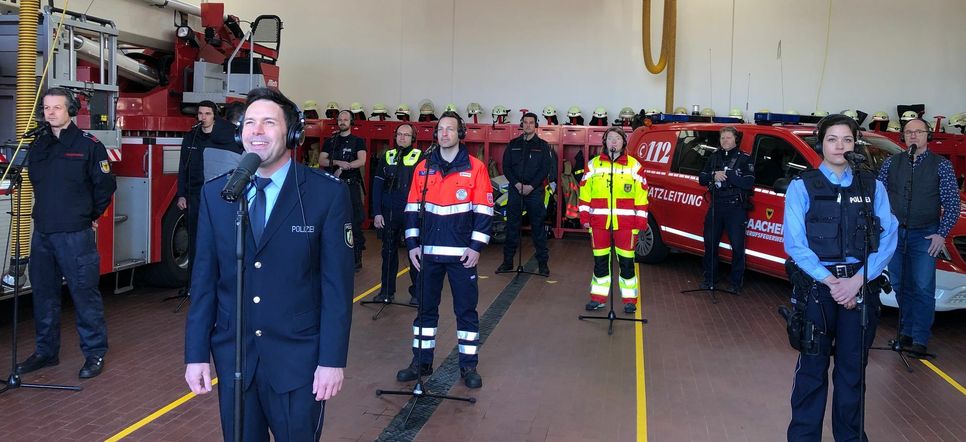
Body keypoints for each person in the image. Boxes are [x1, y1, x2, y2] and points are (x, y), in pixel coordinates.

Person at [184, 88, 353, 441]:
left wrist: (332, 360)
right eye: (249, 123)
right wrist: (196, 354)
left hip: (298, 362)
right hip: (235, 363)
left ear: (292, 134)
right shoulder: (218, 195)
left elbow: (336, 287)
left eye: (268, 122)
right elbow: (203, 282)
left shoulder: (326, 194)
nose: (256, 131)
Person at [784, 114, 897, 441]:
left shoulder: (872, 186)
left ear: (855, 144)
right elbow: (795, 242)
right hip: (819, 292)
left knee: (851, 375)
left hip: (860, 290)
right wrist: (831, 281)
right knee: (812, 372)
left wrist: (857, 280)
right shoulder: (801, 186)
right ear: (821, 143)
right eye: (832, 139)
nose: (840, 146)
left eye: (847, 139)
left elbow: (888, 236)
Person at [17, 87, 116, 379]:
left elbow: (105, 186)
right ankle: (46, 352)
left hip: (75, 234)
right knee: (44, 295)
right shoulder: (38, 144)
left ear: (71, 110)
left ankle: (95, 353)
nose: (50, 113)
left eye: (56, 108)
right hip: (44, 233)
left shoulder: (89, 144)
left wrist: (89, 216)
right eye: (46, 108)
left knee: (84, 294)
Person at [397, 111, 493, 389]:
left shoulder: (476, 168)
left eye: (450, 129)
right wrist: (413, 245)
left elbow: (485, 210)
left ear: (461, 134)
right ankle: (421, 362)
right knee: (425, 311)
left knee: (466, 311)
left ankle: (468, 365)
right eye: (440, 129)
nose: (444, 134)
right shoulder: (423, 168)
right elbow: (412, 209)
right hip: (427, 254)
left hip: (462, 256)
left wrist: (476, 247)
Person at [876, 117, 958, 357]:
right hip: (895, 233)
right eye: (908, 132)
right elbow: (879, 198)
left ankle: (920, 338)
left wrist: (941, 234)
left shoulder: (941, 166)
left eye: (918, 132)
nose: (913, 136)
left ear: (927, 136)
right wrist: (884, 229)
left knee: (923, 286)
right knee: (900, 284)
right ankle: (906, 331)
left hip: (925, 235)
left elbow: (952, 204)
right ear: (903, 136)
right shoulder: (891, 163)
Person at [578, 127, 649, 314]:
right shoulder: (593, 165)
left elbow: (642, 196)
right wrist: (584, 217)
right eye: (610, 139)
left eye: (617, 139)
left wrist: (641, 222)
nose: (614, 142)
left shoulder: (634, 166)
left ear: (623, 142)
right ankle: (598, 299)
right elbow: (584, 193)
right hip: (599, 223)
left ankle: (629, 301)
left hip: (626, 225)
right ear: (605, 142)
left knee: (626, 263)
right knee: (600, 262)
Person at [177, 100, 237, 291]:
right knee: (195, 239)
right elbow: (182, 168)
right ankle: (192, 285)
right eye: (200, 113)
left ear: (215, 115)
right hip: (194, 194)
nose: (203, 117)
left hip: (217, 196)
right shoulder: (191, 137)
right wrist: (181, 195)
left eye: (208, 114)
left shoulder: (228, 137)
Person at [697, 126, 755, 292]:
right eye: (723, 138)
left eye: (728, 138)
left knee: (737, 247)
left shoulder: (745, 159)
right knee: (710, 244)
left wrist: (729, 175)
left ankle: (735, 283)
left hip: (735, 208)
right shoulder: (714, 157)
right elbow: (701, 178)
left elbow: (748, 182)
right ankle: (710, 280)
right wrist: (713, 175)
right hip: (716, 206)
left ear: (735, 139)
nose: (725, 141)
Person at [372, 123, 422, 305]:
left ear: (413, 139)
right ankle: (386, 291)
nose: (402, 138)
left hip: (411, 214)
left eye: (406, 135)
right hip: (389, 212)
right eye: (399, 134)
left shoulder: (420, 157)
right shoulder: (387, 156)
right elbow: (377, 186)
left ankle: (418, 293)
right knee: (388, 253)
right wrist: (377, 212)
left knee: (414, 253)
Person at [497, 112, 552, 275]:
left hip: (534, 192)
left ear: (536, 125)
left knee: (538, 229)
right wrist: (517, 184)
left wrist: (531, 186)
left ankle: (543, 265)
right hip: (515, 191)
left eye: (531, 122)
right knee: (512, 228)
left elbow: (545, 168)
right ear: (522, 124)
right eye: (525, 122)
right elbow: (506, 166)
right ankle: (507, 263)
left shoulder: (543, 145)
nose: (528, 125)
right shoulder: (513, 144)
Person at [320, 110, 367, 270]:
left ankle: (356, 258)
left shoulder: (358, 141)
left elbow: (361, 161)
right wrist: (339, 162)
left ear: (351, 122)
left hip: (351, 185)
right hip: (333, 186)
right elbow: (322, 160)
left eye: (345, 119)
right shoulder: (331, 141)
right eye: (340, 119)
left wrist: (345, 167)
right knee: (332, 220)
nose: (342, 122)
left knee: (354, 220)